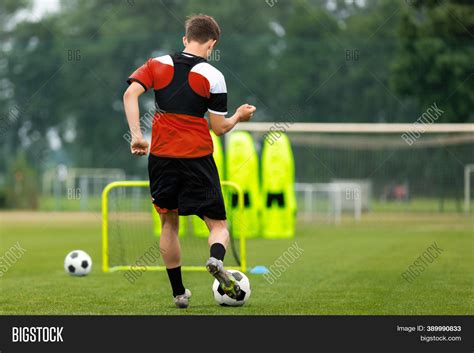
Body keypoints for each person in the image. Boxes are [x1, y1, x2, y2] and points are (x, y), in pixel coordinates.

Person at [123, 14, 256, 308]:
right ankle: (216, 259)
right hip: (197, 159)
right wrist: (239, 116)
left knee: (168, 224)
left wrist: (136, 135)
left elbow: (130, 93)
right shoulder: (214, 76)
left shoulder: (156, 64)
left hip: (161, 158)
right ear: (212, 44)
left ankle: (179, 294)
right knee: (218, 225)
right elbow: (219, 129)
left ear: (185, 39)